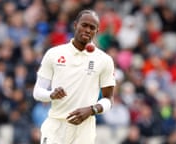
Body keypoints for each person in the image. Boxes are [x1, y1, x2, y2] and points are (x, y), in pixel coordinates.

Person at [33, 9, 116, 144]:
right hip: (56, 125)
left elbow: (109, 99)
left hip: (84, 130)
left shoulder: (104, 60)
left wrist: (91, 110)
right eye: (84, 25)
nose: (88, 30)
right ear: (75, 25)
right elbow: (37, 92)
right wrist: (51, 95)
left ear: (97, 31)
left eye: (92, 27)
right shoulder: (54, 53)